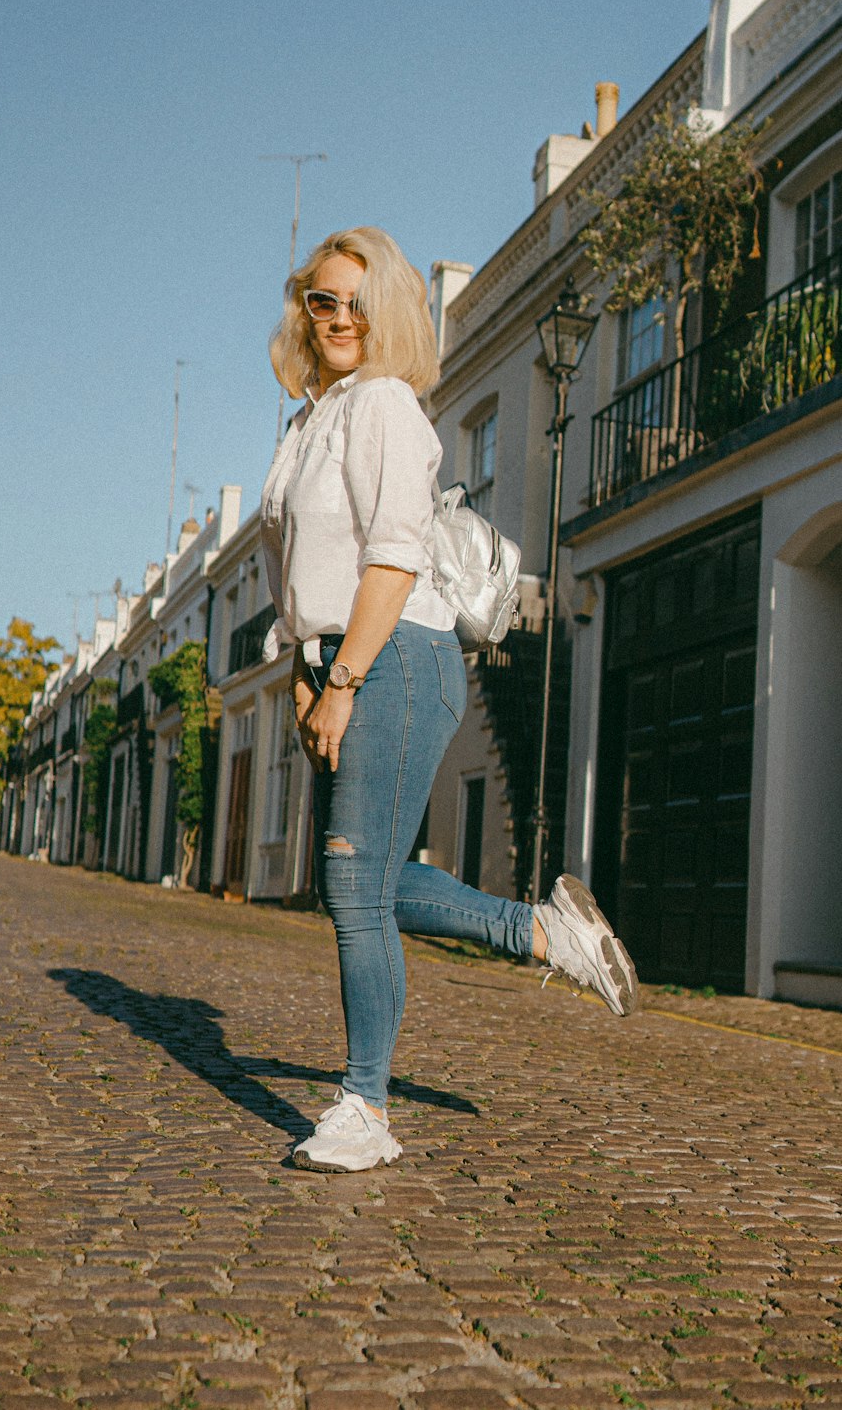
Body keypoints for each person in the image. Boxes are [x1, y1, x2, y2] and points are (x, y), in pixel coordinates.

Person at [260, 226, 637, 1174]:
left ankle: (366, 1107)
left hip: (394, 652)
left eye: (359, 303)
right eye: (323, 301)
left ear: (384, 316)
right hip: (343, 653)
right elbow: (298, 571)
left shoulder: (385, 404)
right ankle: (548, 932)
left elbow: (391, 555)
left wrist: (343, 680)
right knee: (362, 882)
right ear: (302, 310)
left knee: (353, 892)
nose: (341, 318)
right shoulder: (310, 420)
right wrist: (305, 670)